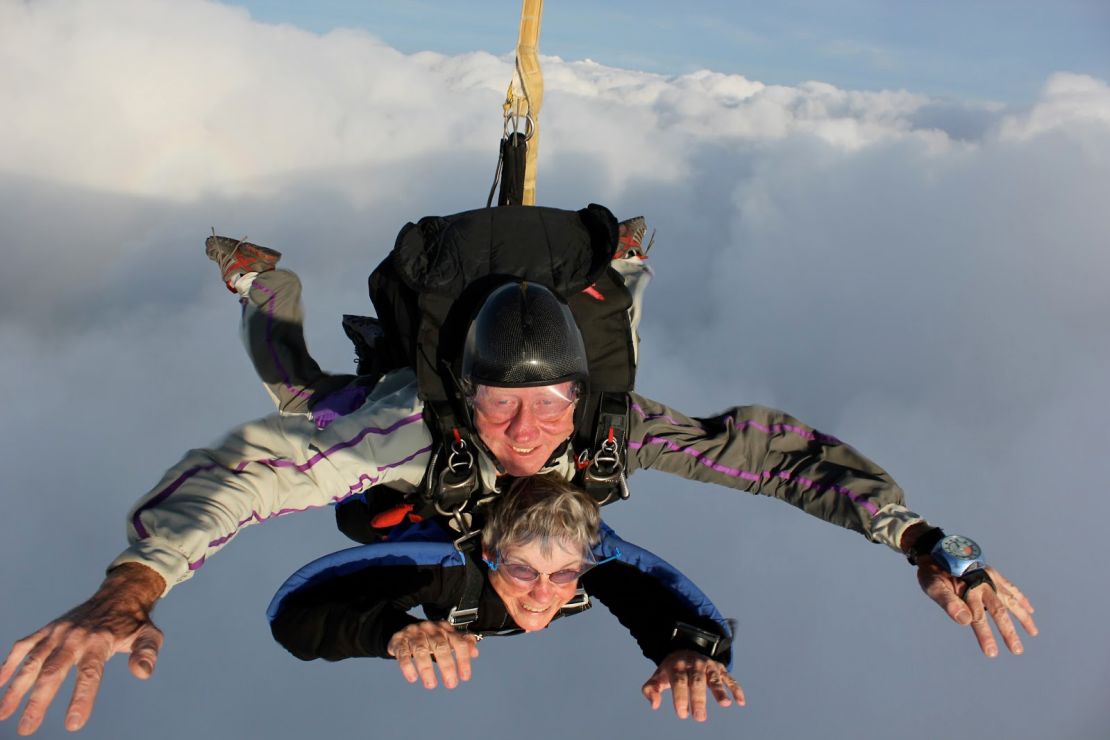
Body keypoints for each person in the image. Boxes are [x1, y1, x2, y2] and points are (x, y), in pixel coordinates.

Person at [0, 207, 1037, 735]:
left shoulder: (606, 426)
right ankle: (266, 285)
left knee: (356, 417)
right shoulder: (415, 425)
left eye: (553, 406)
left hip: (406, 514)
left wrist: (924, 540)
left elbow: (771, 455)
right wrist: (131, 583)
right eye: (502, 402)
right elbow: (249, 478)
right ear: (465, 386)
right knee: (300, 397)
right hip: (394, 449)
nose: (528, 428)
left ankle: (617, 274)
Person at [268, 474, 743, 721]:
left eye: (562, 574)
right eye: (522, 570)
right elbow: (296, 620)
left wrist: (684, 650)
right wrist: (389, 631)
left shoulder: (586, 567)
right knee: (358, 520)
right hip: (420, 501)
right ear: (492, 555)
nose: (542, 593)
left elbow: (648, 595)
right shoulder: (447, 571)